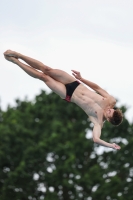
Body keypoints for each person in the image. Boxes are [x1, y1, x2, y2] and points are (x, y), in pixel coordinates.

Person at [4, 50, 123, 150]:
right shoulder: (110, 101)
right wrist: (82, 78)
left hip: (68, 95)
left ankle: (15, 61)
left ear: (108, 119)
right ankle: (19, 55)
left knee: (43, 77)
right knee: (47, 69)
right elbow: (96, 87)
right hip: (74, 83)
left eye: (109, 113)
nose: (109, 109)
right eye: (111, 110)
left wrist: (110, 145)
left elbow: (96, 139)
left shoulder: (98, 122)